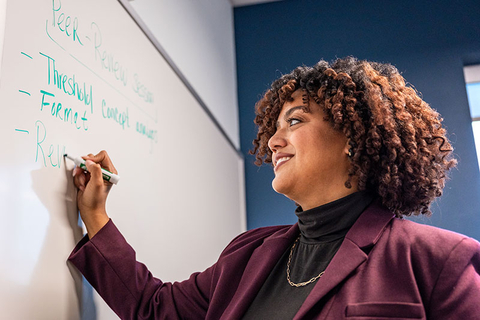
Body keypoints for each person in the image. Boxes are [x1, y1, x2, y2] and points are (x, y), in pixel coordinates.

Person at [68, 57, 480, 319]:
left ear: (353, 135)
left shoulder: (437, 260)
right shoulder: (248, 256)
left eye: (295, 121)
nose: (273, 141)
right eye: (274, 127)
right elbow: (153, 309)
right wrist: (96, 217)